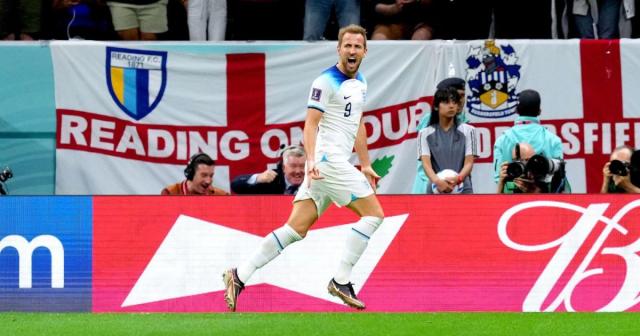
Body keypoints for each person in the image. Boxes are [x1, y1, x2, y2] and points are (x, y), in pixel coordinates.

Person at [223, 24, 384, 312]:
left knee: (295, 229)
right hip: (325, 160)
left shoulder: (361, 82)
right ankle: (341, 280)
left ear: (365, 51)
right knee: (374, 215)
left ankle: (239, 275)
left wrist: (366, 164)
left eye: (357, 46)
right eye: (347, 45)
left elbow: (358, 124)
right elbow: (310, 124)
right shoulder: (325, 81)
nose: (352, 50)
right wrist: (310, 161)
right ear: (338, 48)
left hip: (330, 164)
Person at [493, 89, 564, 185]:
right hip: (544, 198)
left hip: (510, 198)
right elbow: (560, 179)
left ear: (517, 110)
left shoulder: (501, 140)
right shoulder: (553, 140)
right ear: (539, 111)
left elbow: (498, 179)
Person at [411, 77, 468, 194]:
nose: (461, 101)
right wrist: (438, 182)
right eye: (457, 97)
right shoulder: (429, 122)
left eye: (463, 96)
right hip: (430, 187)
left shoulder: (464, 122)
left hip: (455, 187)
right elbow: (426, 163)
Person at [231, 145, 305, 195]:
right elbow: (235, 186)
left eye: (302, 166)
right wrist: (258, 178)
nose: (298, 171)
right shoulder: (272, 180)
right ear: (283, 168)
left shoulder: (314, 181)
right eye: (293, 166)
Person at [161, 152, 228, 195]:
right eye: (204, 175)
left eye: (211, 176)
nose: (208, 181)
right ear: (191, 174)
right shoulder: (170, 193)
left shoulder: (222, 196)